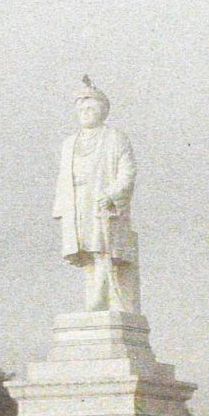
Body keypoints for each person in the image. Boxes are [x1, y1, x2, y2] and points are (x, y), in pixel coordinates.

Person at [53, 77, 139, 313]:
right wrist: (61, 208)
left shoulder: (115, 138)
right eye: (81, 109)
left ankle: (100, 299)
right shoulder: (70, 143)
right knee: (86, 252)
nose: (85, 112)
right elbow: (63, 176)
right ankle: (94, 297)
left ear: (102, 110)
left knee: (102, 248)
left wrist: (112, 194)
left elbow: (127, 172)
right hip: (78, 200)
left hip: (103, 200)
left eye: (90, 108)